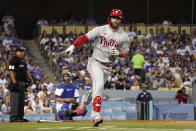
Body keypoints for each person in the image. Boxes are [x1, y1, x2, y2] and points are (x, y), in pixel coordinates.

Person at [62, 9, 129, 126]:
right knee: (99, 86)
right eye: (114, 17)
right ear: (110, 18)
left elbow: (126, 52)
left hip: (108, 66)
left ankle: (82, 103)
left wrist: (118, 53)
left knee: (95, 89)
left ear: (120, 20)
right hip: (95, 62)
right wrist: (73, 46)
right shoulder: (101, 29)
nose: (115, 19)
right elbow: (85, 37)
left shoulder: (123, 36)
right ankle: (95, 115)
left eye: (118, 18)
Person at [8, 47, 33, 122]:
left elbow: (26, 71)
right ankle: (14, 118)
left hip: (22, 83)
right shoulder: (13, 60)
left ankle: (20, 117)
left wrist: (30, 79)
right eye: (21, 51)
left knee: (21, 102)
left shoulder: (23, 61)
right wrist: (14, 82)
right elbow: (11, 71)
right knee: (15, 101)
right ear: (16, 52)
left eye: (23, 51)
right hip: (15, 83)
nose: (23, 53)